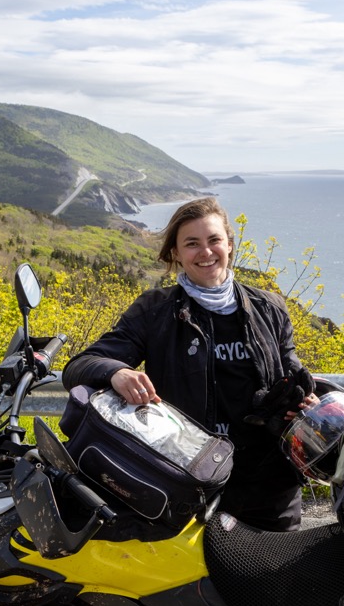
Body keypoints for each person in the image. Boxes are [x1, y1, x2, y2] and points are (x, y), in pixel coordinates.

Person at [63, 197, 316, 531]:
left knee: (269, 578)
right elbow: (80, 365)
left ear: (229, 244)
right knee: (196, 582)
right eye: (192, 244)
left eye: (214, 241)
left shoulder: (269, 308)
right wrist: (117, 372)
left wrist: (305, 402)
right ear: (176, 254)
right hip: (189, 481)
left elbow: (292, 372)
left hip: (269, 486)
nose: (206, 252)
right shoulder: (155, 311)